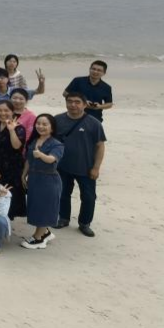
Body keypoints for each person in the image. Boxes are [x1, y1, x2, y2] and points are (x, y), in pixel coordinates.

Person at [54, 92, 107, 237]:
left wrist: (96, 167)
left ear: (84, 104)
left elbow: (100, 146)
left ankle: (84, 223)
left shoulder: (94, 123)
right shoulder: (57, 120)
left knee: (89, 197)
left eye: (77, 102)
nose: (73, 105)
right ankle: (63, 218)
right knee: (63, 193)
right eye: (70, 101)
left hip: (86, 167)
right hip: (62, 166)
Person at [22, 113, 64, 249]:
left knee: (44, 208)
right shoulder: (34, 141)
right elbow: (29, 160)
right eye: (38, 123)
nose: (40, 126)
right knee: (35, 206)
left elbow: (52, 159)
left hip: (48, 180)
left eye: (45, 124)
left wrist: (41, 155)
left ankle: (38, 238)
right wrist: (24, 175)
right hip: (34, 178)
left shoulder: (57, 144)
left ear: (52, 127)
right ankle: (45, 232)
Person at [0, 100, 27, 217]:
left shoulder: (19, 128)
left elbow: (17, 146)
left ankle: (6, 220)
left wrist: (11, 130)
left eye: (6, 110)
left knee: (9, 194)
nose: (3, 113)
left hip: (11, 167)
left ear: (12, 111)